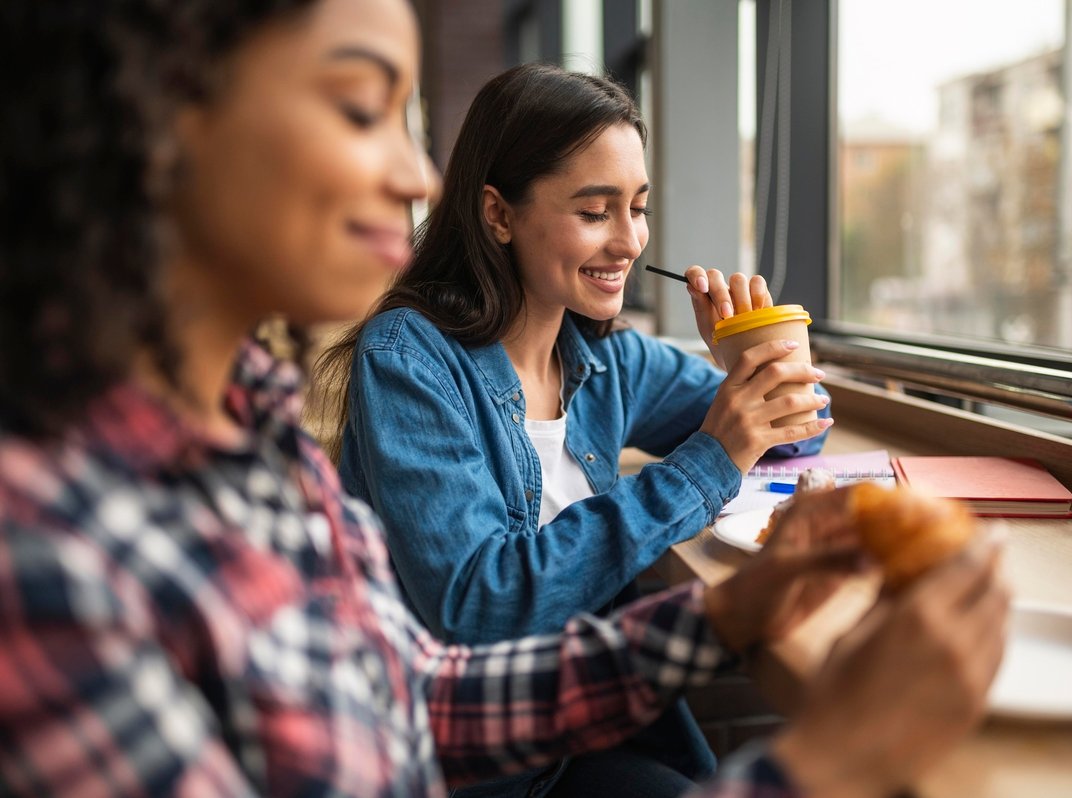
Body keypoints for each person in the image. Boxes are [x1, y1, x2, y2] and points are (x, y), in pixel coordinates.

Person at [0, 1, 1010, 797]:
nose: (414, 175)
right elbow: (475, 613)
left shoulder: (262, 435)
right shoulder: (49, 562)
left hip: (549, 730)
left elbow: (413, 697)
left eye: (638, 209)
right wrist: (830, 765)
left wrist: (734, 590)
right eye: (359, 109)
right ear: (167, 121)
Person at [319, 63, 833, 795]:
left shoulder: (607, 358)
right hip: (477, 773)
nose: (630, 241)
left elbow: (799, 431)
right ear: (498, 215)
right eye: (596, 212)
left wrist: (748, 347)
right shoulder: (408, 360)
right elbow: (479, 607)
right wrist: (710, 458)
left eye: (639, 208)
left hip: (591, 734)